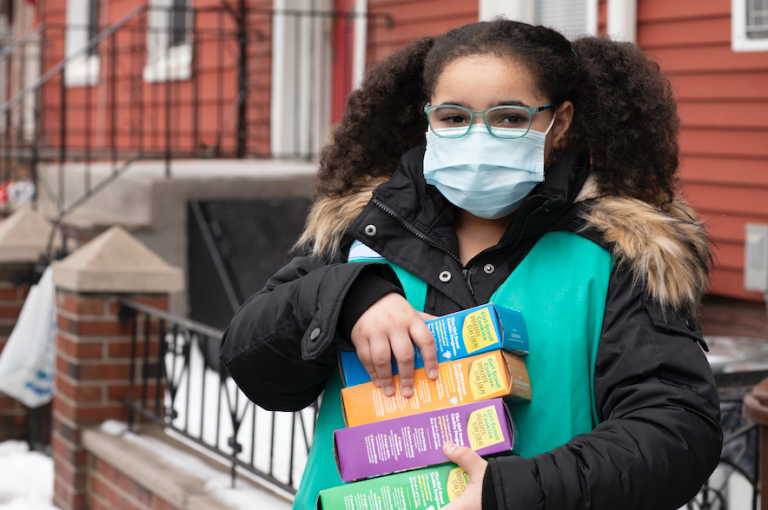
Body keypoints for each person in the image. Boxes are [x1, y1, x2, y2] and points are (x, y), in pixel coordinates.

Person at [220, 19, 722, 510]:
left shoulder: (620, 254)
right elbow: (250, 362)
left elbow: (675, 431)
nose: (478, 138)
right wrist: (344, 297)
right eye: (454, 117)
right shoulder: (365, 228)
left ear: (560, 122)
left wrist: (517, 492)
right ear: (428, 119)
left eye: (509, 117)